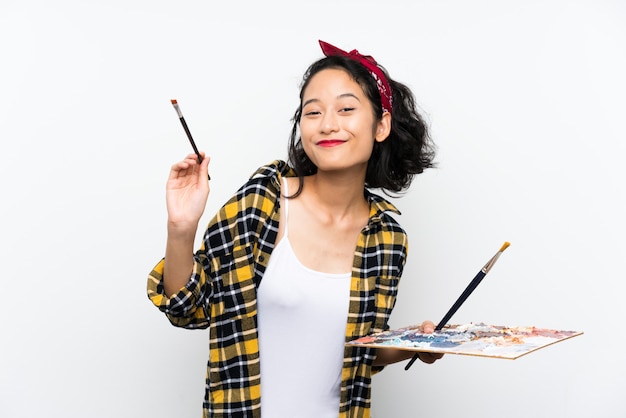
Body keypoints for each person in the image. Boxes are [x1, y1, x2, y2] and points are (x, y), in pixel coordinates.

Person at [147, 39, 442, 418]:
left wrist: (414, 343)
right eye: (312, 112)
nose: (328, 124)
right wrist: (180, 227)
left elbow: (360, 351)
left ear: (381, 124)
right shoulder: (265, 200)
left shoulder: (388, 239)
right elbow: (189, 309)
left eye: (346, 109)